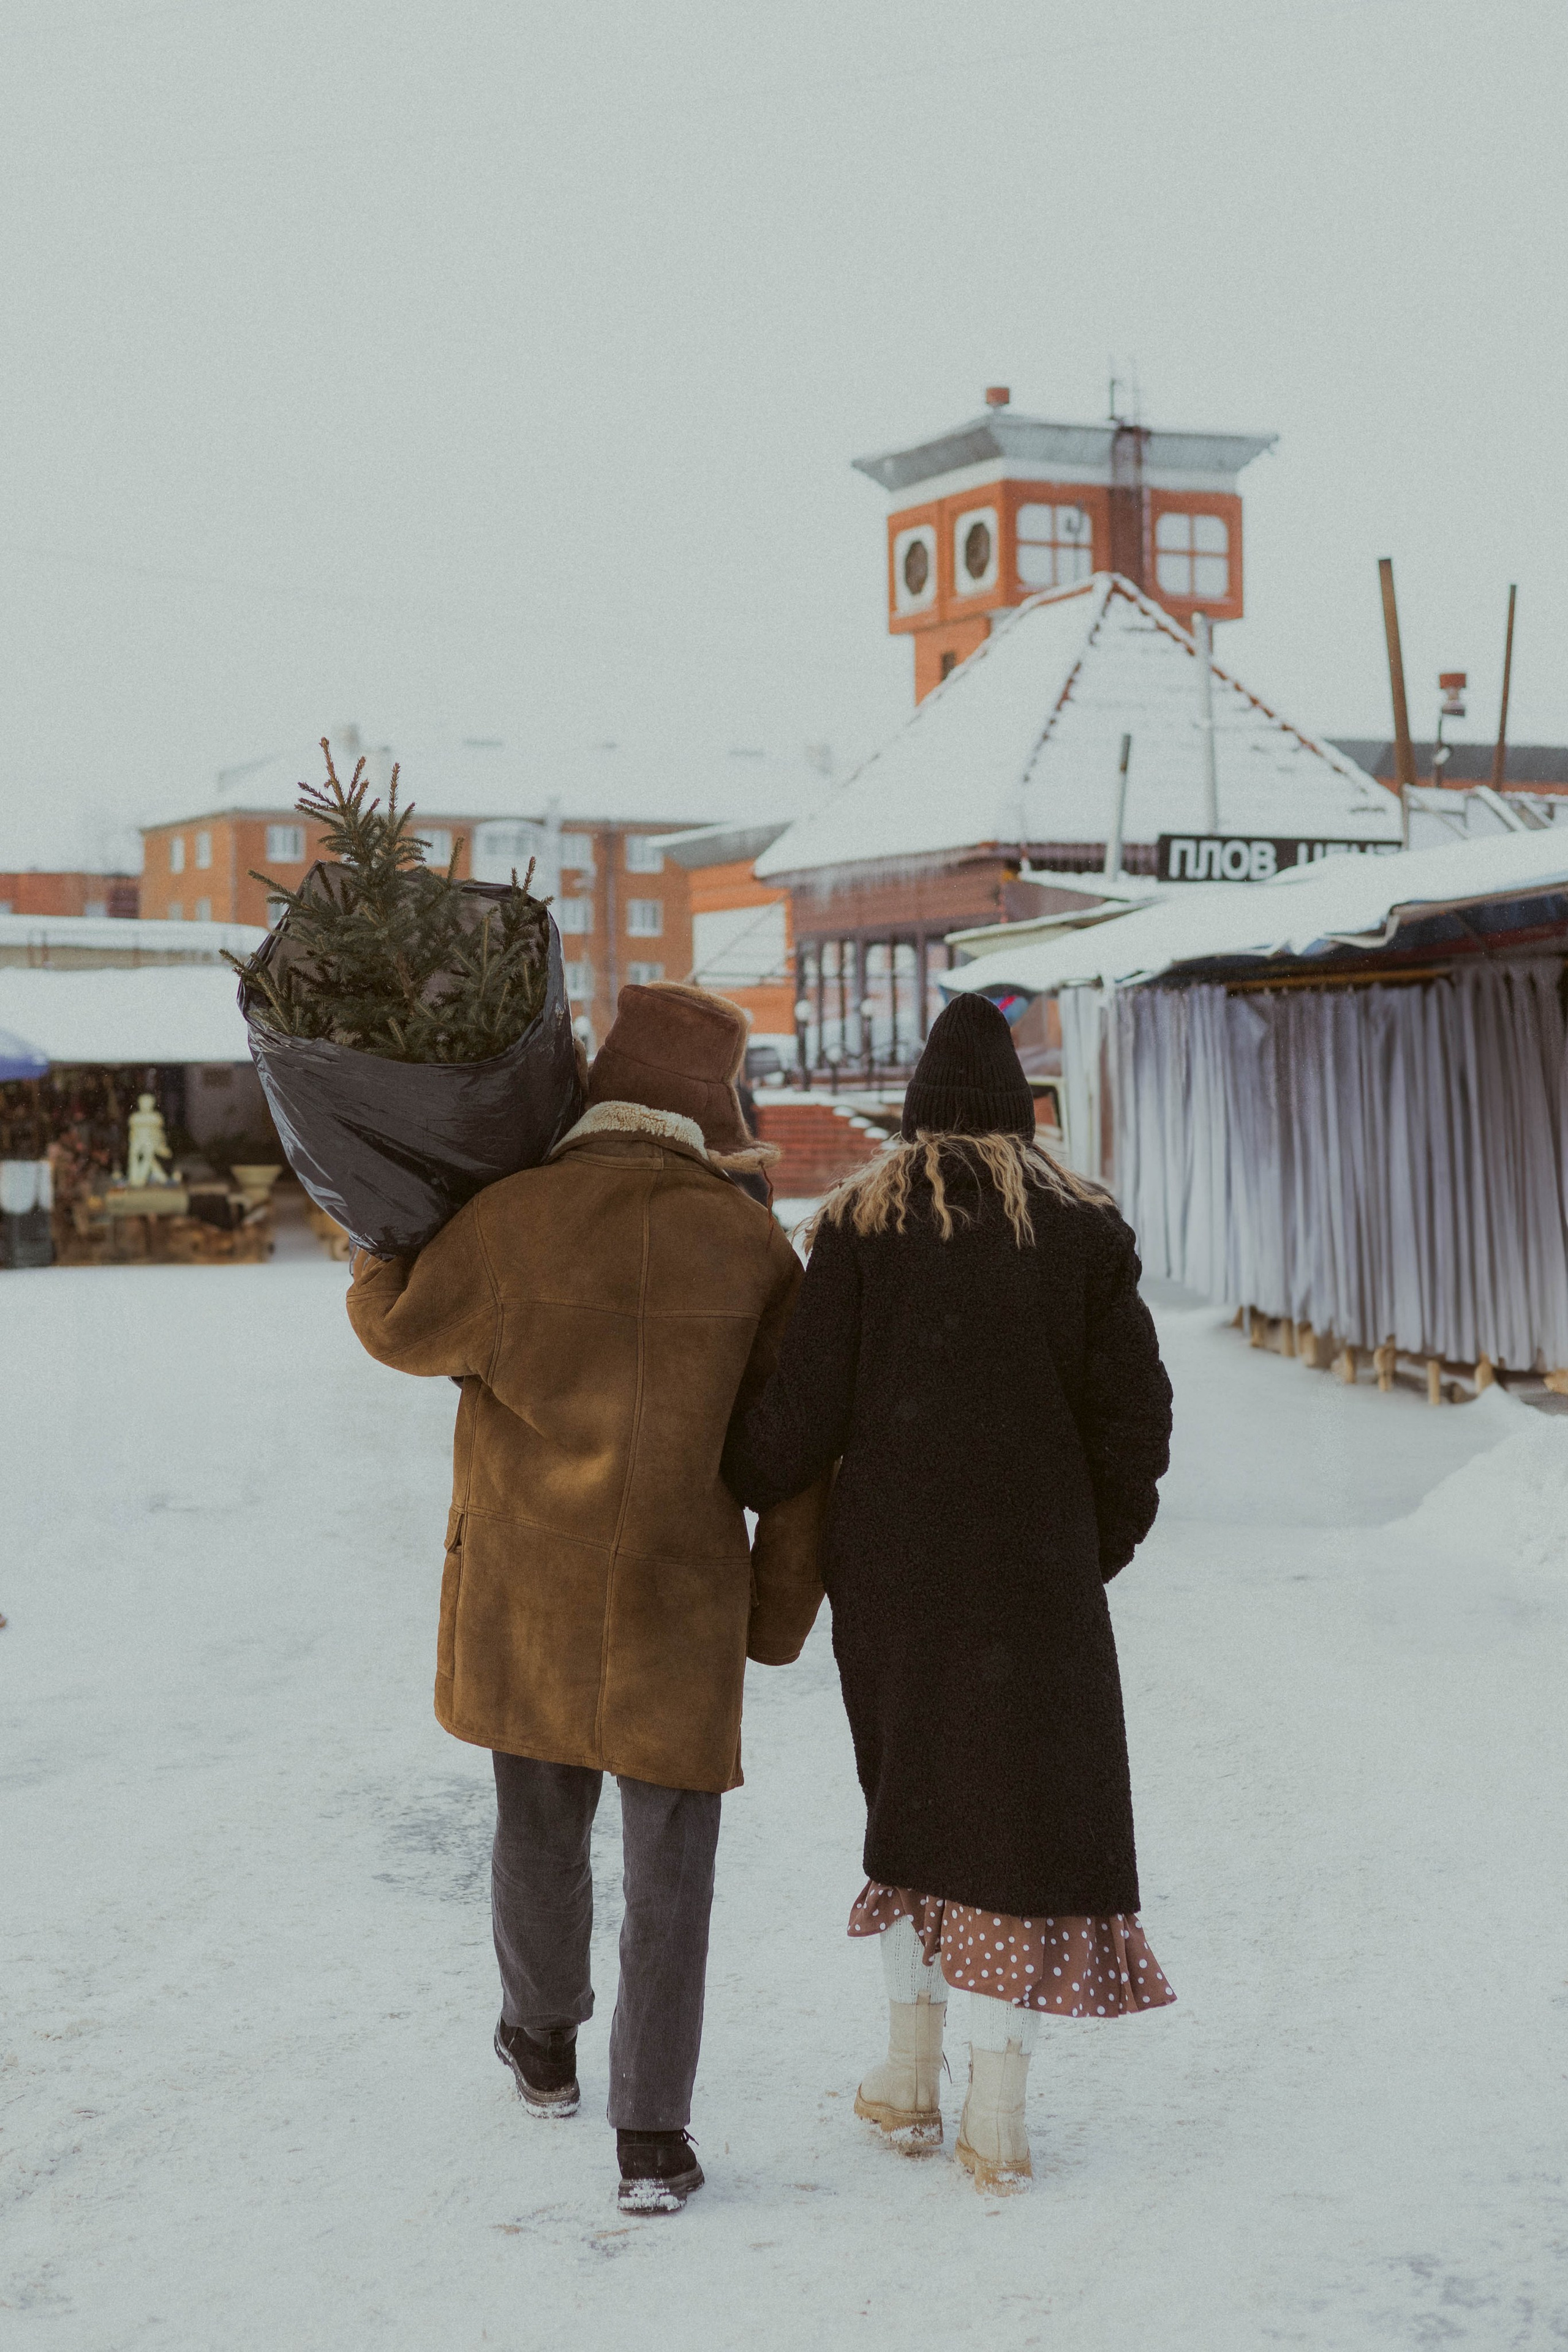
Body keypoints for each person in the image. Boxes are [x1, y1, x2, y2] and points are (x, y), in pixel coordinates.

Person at [348, 981, 828, 2214]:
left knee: (536, 1828)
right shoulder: (750, 1248)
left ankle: (543, 2046)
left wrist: (372, 1253)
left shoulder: (514, 1221)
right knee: (672, 1867)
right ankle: (652, 2139)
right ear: (703, 1120)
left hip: (529, 1591)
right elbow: (797, 1459)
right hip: (679, 1597)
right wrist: (774, 1617)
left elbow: (399, 1326)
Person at [722, 992, 1175, 2193]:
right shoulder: (1079, 1232)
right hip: (1035, 1583)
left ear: (917, 1112)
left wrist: (728, 1473)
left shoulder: (865, 1225)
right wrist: (1085, 1549)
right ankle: (997, 2116)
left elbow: (799, 1420)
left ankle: (906, 2075)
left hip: (893, 1578)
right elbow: (1135, 1422)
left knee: (913, 1806)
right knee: (1018, 1824)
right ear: (1020, 1115)